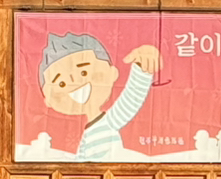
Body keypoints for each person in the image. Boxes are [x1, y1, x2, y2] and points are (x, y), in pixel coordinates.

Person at [38, 32, 160, 161]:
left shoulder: (109, 122)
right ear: (48, 100)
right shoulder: (89, 133)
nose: (74, 81)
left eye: (84, 72)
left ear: (112, 73)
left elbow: (130, 100)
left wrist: (141, 69)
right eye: (61, 83)